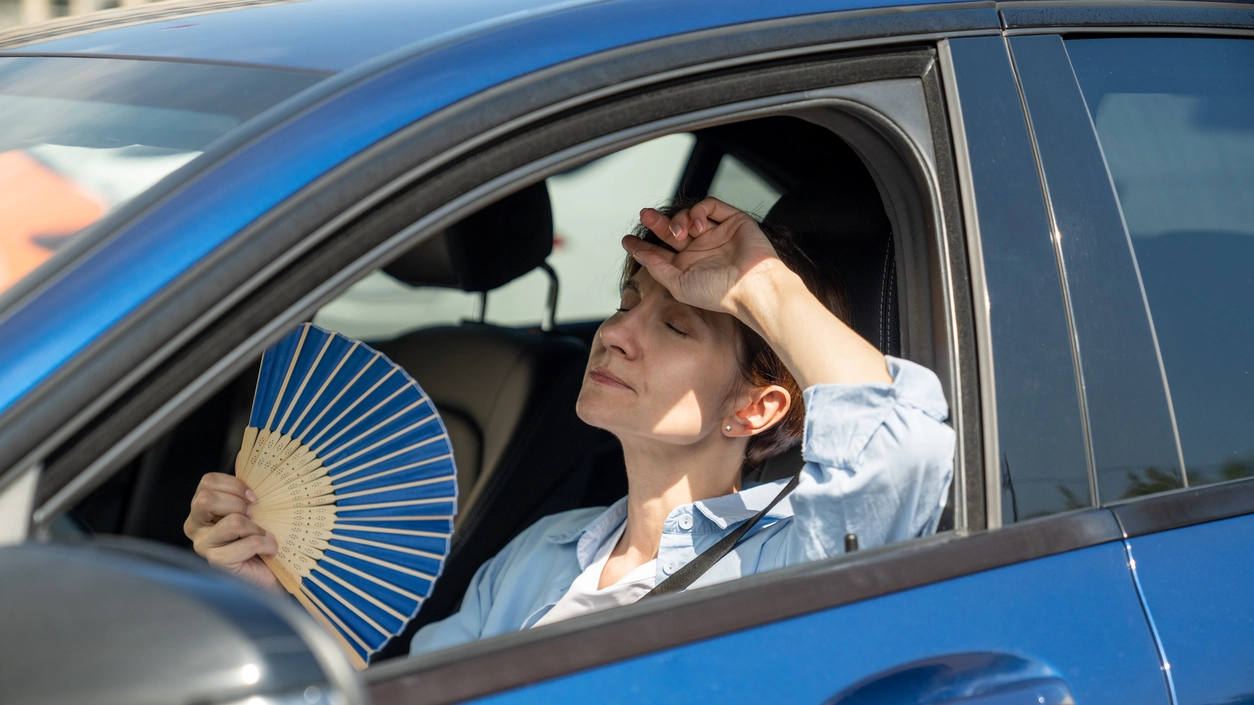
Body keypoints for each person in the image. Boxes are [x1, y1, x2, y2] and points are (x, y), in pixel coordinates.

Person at [184, 197, 954, 657]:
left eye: (677, 327)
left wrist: (763, 287)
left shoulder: (797, 560)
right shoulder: (541, 553)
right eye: (626, 304)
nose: (616, 334)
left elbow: (903, 449)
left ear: (755, 409)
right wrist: (271, 598)